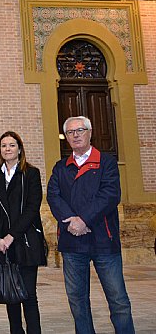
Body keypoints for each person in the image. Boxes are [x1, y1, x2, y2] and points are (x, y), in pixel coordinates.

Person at [47, 116, 135, 334]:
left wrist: (83, 220)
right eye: (70, 132)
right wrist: (72, 221)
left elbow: (110, 195)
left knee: (118, 300)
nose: (75, 135)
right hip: (72, 243)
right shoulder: (61, 167)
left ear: (90, 132)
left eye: (80, 130)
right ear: (66, 137)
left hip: (104, 241)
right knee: (77, 302)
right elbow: (53, 197)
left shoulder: (106, 163)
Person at [0, 131, 47, 334]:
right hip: (2, 244)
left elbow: (32, 208)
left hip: (25, 241)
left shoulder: (31, 173)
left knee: (28, 295)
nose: (7, 149)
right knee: (10, 295)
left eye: (11, 145)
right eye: (3, 146)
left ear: (19, 149)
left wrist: (11, 236)